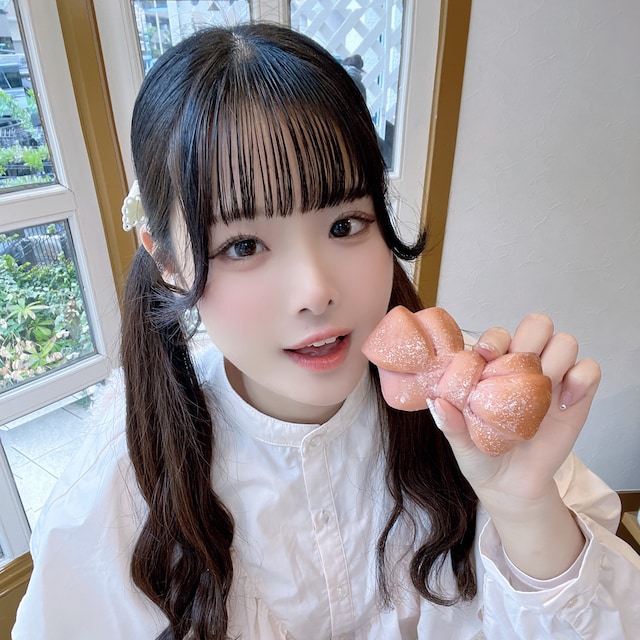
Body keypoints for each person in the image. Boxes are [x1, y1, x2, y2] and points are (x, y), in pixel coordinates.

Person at [12, 23, 640, 640]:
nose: (316, 290)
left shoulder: (473, 405)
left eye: (344, 224)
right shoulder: (123, 474)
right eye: (244, 244)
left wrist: (524, 507)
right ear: (169, 262)